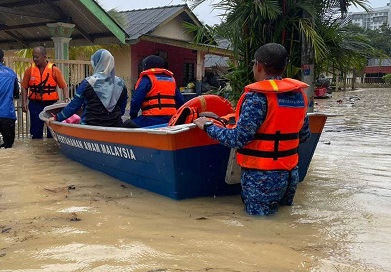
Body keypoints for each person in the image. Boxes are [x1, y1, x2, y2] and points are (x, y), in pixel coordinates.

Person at [193, 43, 310, 216]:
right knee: (282, 222)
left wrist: (208, 125)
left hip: (262, 178)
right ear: (283, 67)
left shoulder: (258, 97)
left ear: (259, 66)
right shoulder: (298, 95)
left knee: (259, 230)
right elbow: (304, 135)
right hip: (290, 174)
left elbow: (238, 139)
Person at [52, 49, 127, 127]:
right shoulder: (121, 83)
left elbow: (74, 105)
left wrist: (57, 118)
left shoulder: (87, 83)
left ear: (96, 64)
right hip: (115, 126)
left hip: (90, 126)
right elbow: (122, 109)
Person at [21, 46, 68, 139]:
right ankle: (36, 149)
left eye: (37, 57)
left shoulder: (54, 70)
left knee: (52, 129)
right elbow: (24, 87)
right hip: (35, 103)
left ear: (44, 57)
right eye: (33, 56)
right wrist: (24, 102)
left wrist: (66, 98)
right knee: (36, 130)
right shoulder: (29, 70)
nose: (34, 59)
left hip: (51, 103)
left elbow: (64, 86)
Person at [124, 55, 185, 128]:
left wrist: (133, 116)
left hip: (151, 119)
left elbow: (136, 101)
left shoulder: (147, 79)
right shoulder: (171, 80)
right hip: (171, 119)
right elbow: (181, 101)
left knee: (126, 124)